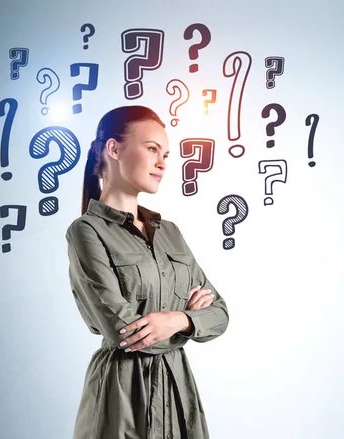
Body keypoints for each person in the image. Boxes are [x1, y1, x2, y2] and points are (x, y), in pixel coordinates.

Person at [65, 105, 229, 439]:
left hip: (178, 388)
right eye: (152, 149)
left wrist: (177, 320)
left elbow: (220, 313)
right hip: (121, 396)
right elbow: (123, 331)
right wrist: (188, 316)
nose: (162, 163)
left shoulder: (169, 231)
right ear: (114, 149)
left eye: (165, 154)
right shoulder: (86, 232)